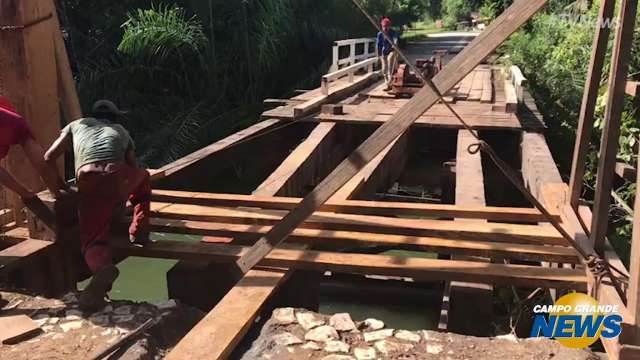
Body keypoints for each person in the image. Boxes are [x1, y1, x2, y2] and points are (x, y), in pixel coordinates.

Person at [45, 100, 151, 311]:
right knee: (144, 176)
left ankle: (102, 268)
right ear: (115, 118)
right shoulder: (121, 131)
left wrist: (60, 188)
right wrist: (121, 198)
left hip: (88, 179)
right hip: (115, 176)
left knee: (92, 237)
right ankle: (139, 230)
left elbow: (48, 157)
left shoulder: (75, 125)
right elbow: (132, 166)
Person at [0, 96, 67, 203]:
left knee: (24, 138)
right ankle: (56, 191)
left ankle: (51, 191)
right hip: (11, 121)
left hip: (8, 120)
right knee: (25, 138)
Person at [377, 17, 400, 91]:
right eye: (384, 26)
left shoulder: (392, 32)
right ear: (382, 26)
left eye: (387, 26)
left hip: (392, 50)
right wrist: (378, 55)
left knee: (390, 63)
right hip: (384, 52)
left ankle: (390, 83)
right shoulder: (380, 34)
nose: (385, 28)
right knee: (384, 69)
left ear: (389, 26)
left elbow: (395, 38)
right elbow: (378, 45)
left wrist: (395, 43)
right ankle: (387, 83)